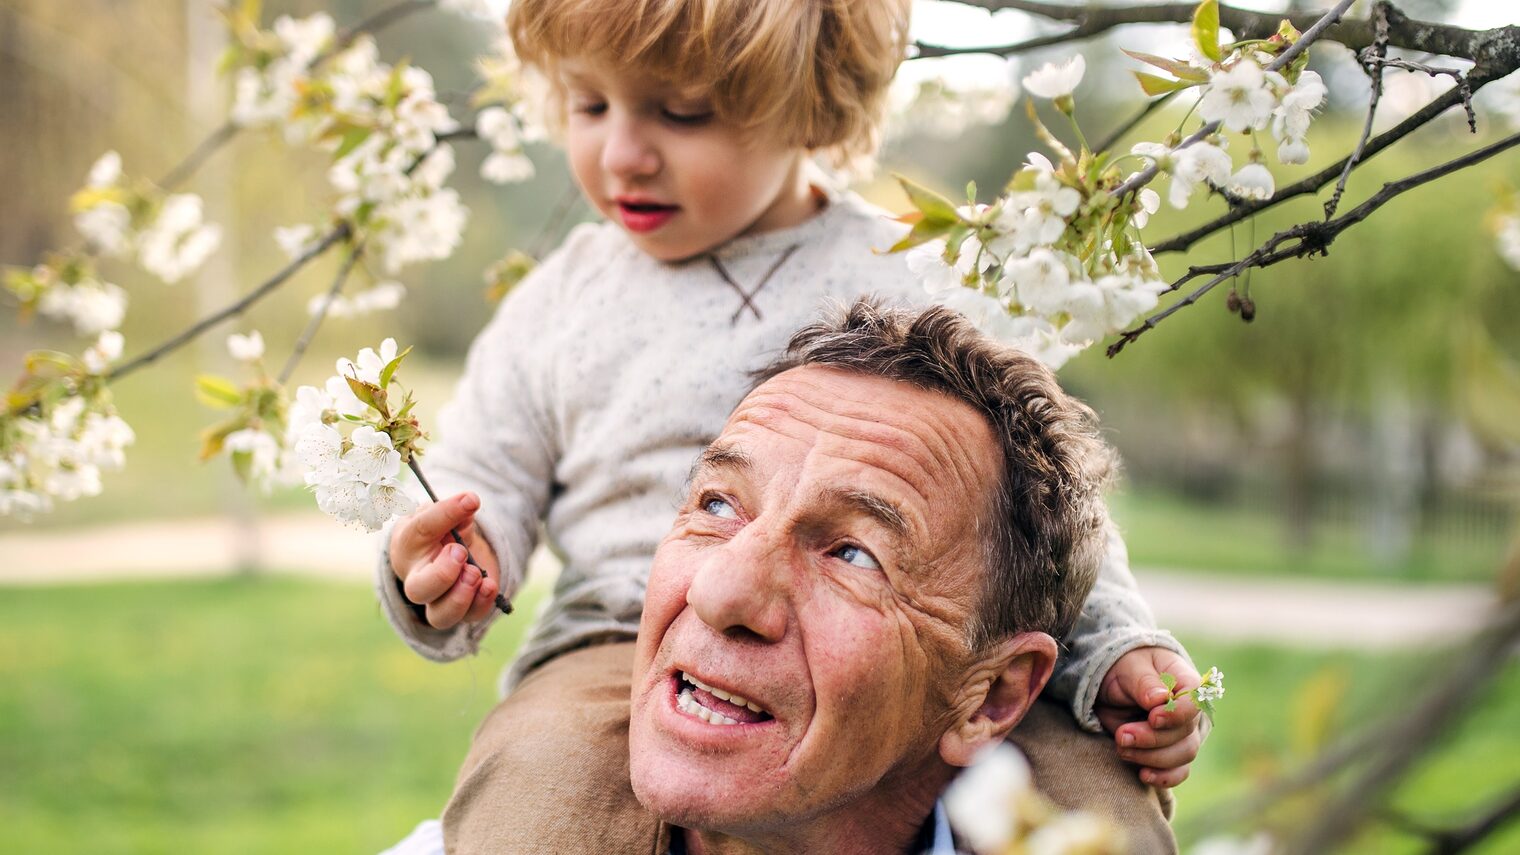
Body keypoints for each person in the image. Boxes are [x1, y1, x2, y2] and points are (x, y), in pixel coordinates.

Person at [375, 0, 1205, 847]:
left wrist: (1114, 644)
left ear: (808, 104)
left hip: (917, 666)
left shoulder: (913, 270)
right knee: (541, 798)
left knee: (1095, 800)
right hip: (617, 645)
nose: (621, 152)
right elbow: (485, 477)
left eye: (682, 112)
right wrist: (452, 560)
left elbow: (1037, 505)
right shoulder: (559, 305)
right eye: (589, 106)